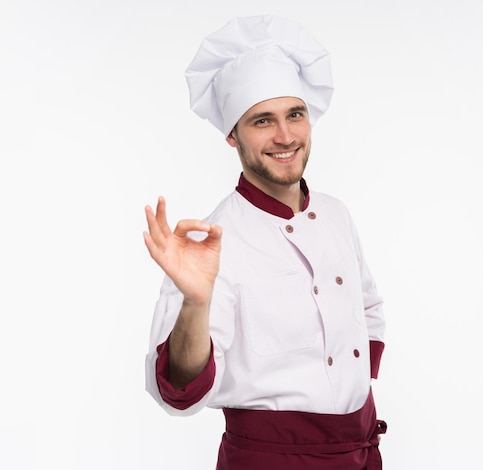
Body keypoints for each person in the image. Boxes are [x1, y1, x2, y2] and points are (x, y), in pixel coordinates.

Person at [143, 15, 387, 469]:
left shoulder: (336, 214)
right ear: (233, 135)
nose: (285, 136)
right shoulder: (210, 243)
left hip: (361, 452)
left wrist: (348, 383)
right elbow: (178, 390)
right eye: (262, 121)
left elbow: (368, 308)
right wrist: (195, 302)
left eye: (295, 114)